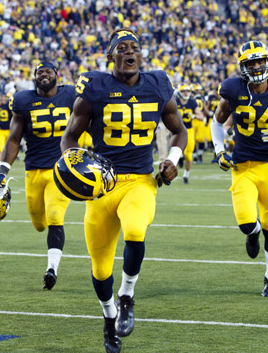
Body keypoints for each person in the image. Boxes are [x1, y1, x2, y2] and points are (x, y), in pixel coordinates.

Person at [60, 29, 187, 353]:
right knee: (101, 269)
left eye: (134, 48)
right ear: (110, 57)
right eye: (121, 48)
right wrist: (73, 163)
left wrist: (173, 159)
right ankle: (109, 316)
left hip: (140, 181)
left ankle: (127, 296)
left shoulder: (158, 84)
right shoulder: (94, 87)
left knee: (135, 231)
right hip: (102, 186)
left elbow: (179, 131)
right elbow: (70, 137)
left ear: (141, 56)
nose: (129, 52)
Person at [210, 41, 268, 297]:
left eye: (260, 61)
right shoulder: (233, 89)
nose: (257, 67)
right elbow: (216, 123)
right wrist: (219, 152)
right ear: (243, 67)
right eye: (251, 63)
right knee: (248, 224)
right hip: (242, 167)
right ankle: (253, 232)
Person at [0, 62, 75, 290]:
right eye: (40, 72)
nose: (44, 75)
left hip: (62, 170)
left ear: (57, 75)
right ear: (35, 78)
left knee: (56, 216)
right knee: (40, 224)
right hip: (34, 171)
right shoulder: (23, 100)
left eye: (48, 71)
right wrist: (2, 170)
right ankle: (50, 253)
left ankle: (52, 268)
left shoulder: (70, 95)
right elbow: (13, 139)